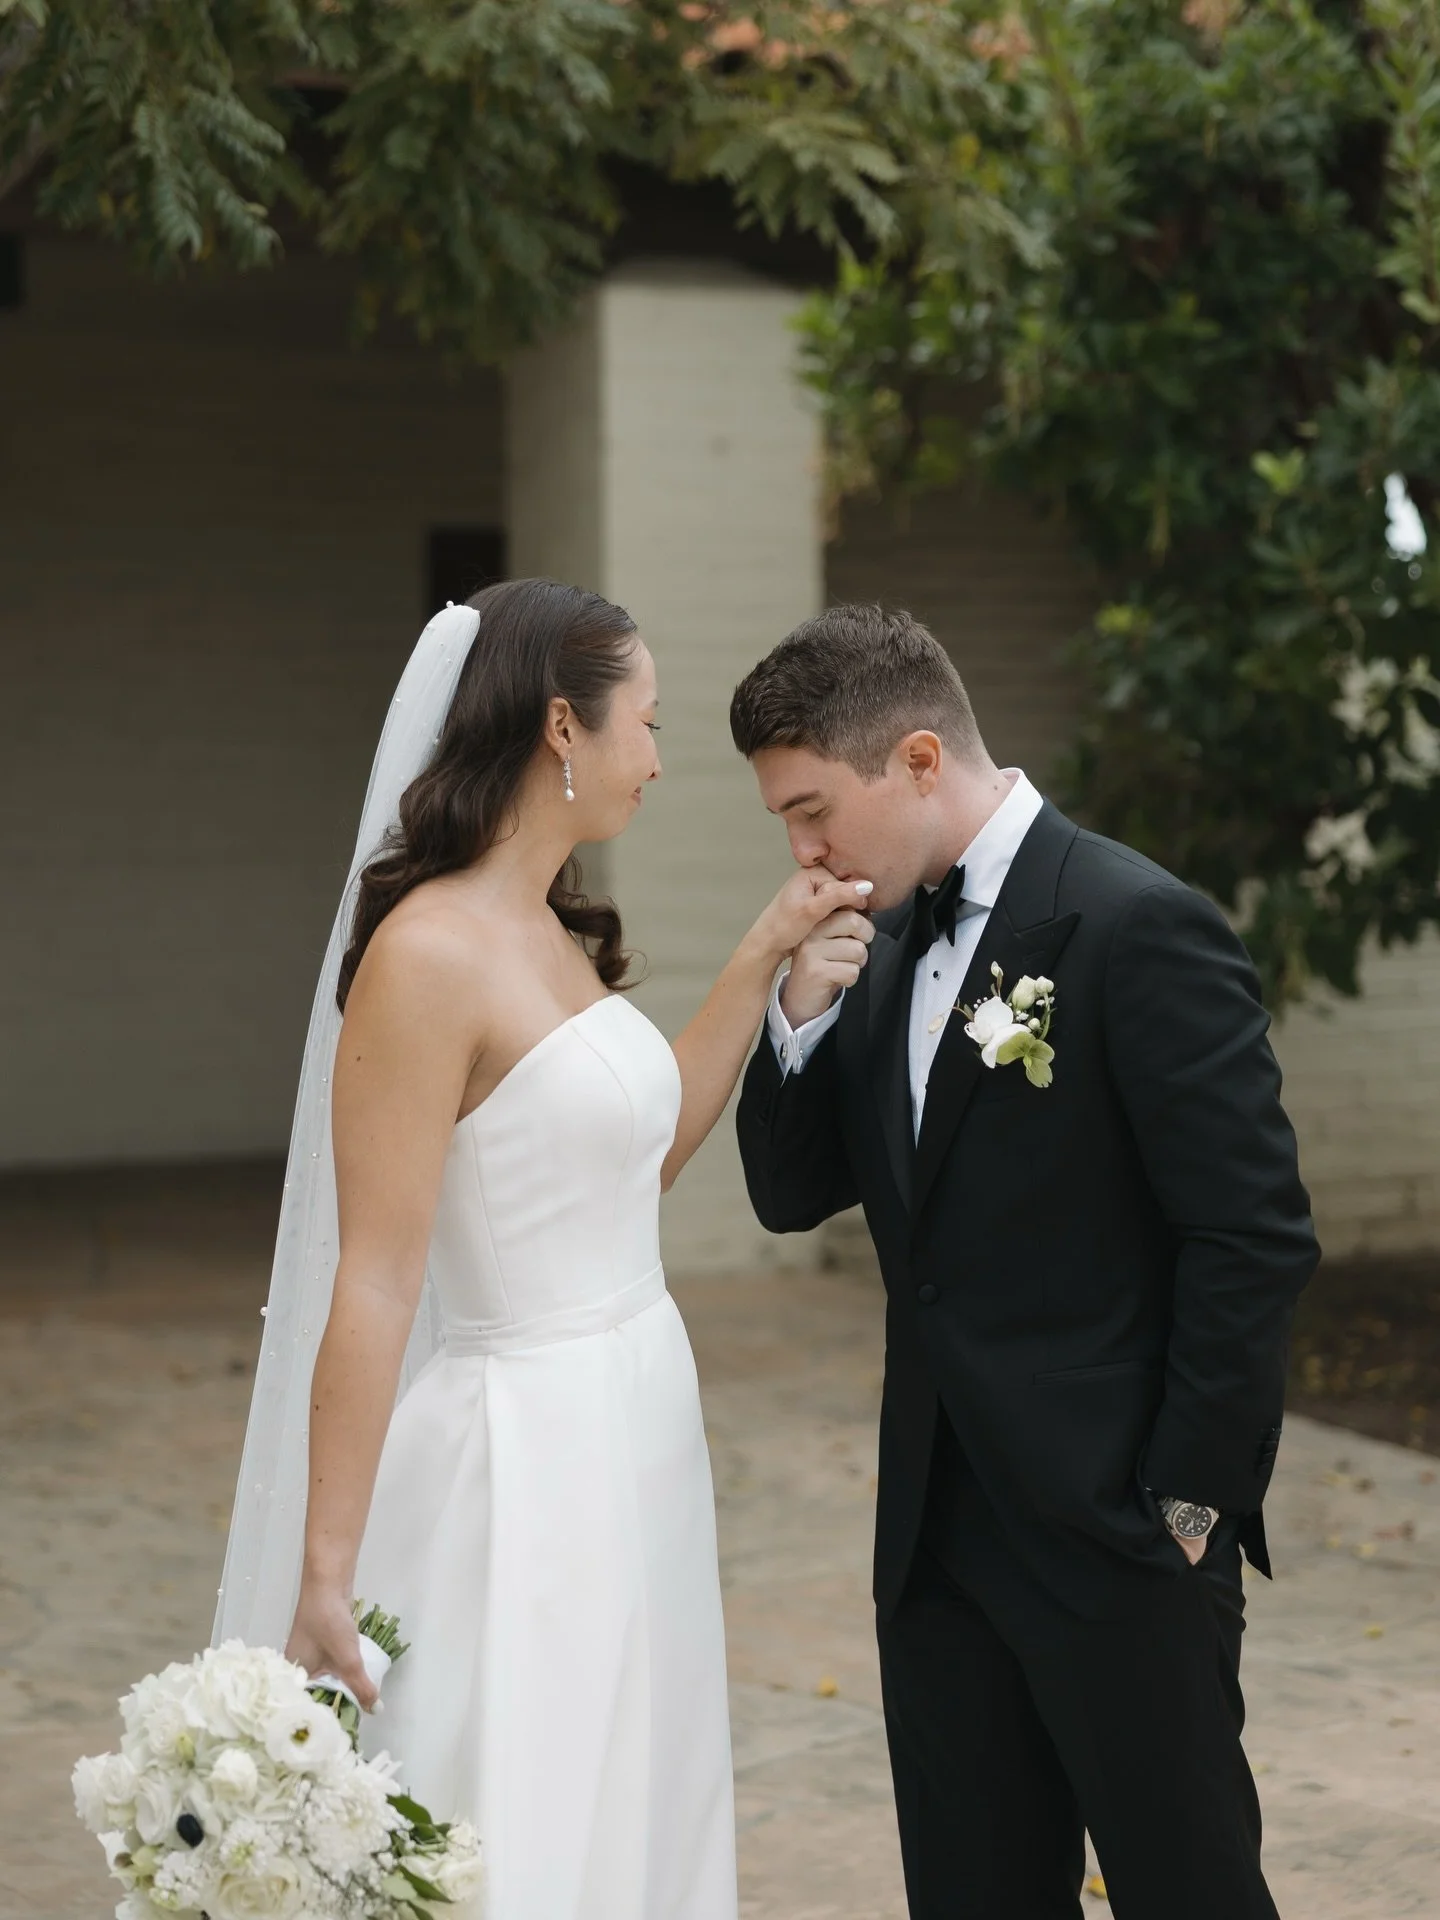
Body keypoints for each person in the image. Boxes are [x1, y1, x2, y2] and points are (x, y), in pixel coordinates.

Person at [214, 578, 869, 1920]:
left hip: (636, 1418)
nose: (659, 757)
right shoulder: (428, 955)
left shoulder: (552, 931)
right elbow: (381, 1275)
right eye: (646, 722)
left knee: (636, 1777)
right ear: (563, 730)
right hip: (520, 1452)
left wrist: (763, 957)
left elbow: (639, 1162)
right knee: (523, 1795)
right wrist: (324, 1573)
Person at [731, 604, 1319, 1920]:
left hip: (1121, 1539)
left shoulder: (1137, 926)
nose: (803, 850)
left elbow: (1253, 1236)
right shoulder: (875, 944)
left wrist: (1190, 1508)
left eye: (813, 809)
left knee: (1189, 1894)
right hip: (936, 1544)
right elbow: (788, 1196)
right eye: (786, 820)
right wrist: (799, 1014)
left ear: (922, 761)